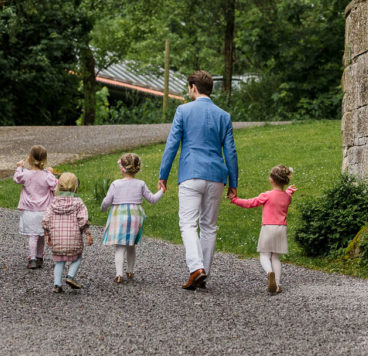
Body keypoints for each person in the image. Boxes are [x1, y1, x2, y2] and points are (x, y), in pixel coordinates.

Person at [158, 69, 239, 290]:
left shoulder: (183, 110)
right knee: (209, 226)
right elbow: (230, 151)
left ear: (193, 88)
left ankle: (196, 268)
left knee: (187, 223)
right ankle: (204, 272)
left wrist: (163, 175)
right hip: (216, 176)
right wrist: (234, 182)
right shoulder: (223, 115)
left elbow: (172, 144)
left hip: (191, 173)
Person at [230, 165, 297, 295]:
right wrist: (289, 191)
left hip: (268, 228)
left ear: (271, 180)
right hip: (281, 229)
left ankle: (269, 272)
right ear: (285, 181)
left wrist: (235, 200)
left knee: (264, 255)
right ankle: (277, 284)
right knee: (276, 257)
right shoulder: (287, 197)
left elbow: (250, 203)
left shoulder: (267, 195)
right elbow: (284, 196)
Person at [100, 153, 164, 284]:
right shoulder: (140, 184)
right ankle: (130, 271)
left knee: (120, 246)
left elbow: (107, 200)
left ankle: (119, 274)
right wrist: (162, 191)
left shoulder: (116, 184)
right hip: (135, 216)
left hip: (119, 216)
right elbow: (152, 199)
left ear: (122, 167)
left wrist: (103, 208)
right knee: (131, 245)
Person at [43, 172, 93, 292]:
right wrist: (87, 233)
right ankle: (70, 276)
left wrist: (47, 234)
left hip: (57, 238)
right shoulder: (78, 202)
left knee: (59, 261)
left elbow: (46, 219)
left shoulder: (53, 202)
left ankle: (57, 285)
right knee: (77, 258)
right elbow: (83, 219)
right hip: (73, 237)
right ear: (76, 186)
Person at [14, 145, 58, 269]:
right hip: (44, 210)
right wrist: (52, 174)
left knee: (32, 236)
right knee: (41, 234)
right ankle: (39, 256)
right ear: (44, 160)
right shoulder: (46, 175)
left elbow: (16, 179)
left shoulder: (26, 174)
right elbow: (56, 186)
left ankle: (32, 258)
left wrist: (19, 167)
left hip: (29, 210)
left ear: (29, 159)